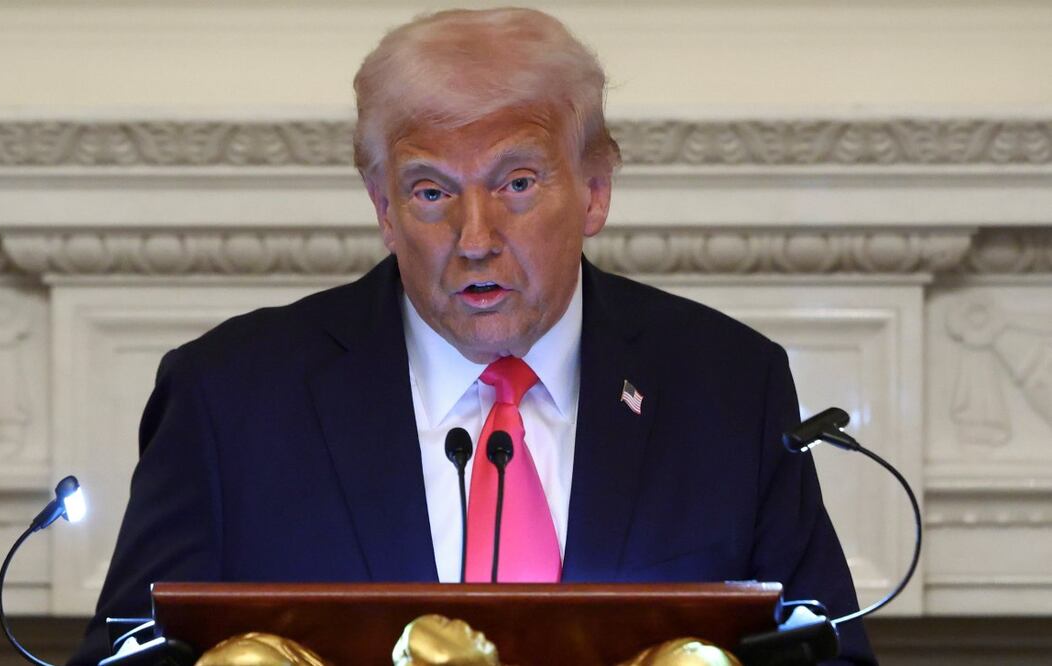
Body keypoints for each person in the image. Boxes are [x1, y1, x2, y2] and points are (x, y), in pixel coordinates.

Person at [69, 8, 874, 665]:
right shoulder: (230, 400)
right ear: (383, 207)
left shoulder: (729, 388)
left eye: (517, 183)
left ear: (594, 192)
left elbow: (827, 653)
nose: (475, 236)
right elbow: (127, 656)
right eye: (431, 192)